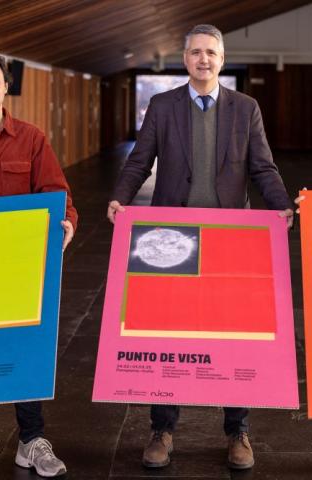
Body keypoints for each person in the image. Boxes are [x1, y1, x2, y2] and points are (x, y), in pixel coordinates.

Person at [108, 24, 293, 470]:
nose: (203, 59)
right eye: (195, 52)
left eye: (211, 52)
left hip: (232, 240)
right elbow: (140, 159)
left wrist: (282, 207)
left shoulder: (246, 108)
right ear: (185, 58)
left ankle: (238, 431)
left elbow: (263, 167)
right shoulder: (162, 104)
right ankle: (162, 429)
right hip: (175, 238)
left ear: (222, 58)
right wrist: (120, 197)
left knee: (235, 335)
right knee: (169, 333)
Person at [0, 50, 78, 479]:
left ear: (6, 87)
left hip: (18, 267)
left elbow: (56, 192)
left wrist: (67, 224)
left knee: (25, 346)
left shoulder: (32, 138)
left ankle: (31, 441)